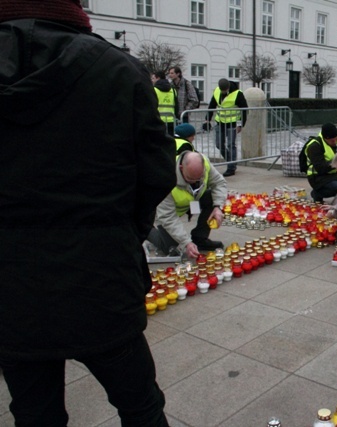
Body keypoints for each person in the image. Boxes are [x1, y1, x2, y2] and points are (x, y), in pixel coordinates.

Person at [0, 1, 175, 425]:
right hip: (101, 277)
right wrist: (120, 231)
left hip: (10, 286)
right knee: (140, 406)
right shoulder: (117, 68)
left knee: (34, 413)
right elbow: (156, 173)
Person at [147, 151, 227, 259]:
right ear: (181, 168)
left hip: (188, 202)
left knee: (213, 198)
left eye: (200, 178)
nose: (195, 182)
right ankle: (144, 229)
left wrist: (218, 207)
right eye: (190, 178)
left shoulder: (205, 163)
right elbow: (168, 217)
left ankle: (199, 238)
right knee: (169, 248)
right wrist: (186, 242)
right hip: (159, 210)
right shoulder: (164, 177)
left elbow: (219, 183)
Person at [203, 78, 248, 177]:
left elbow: (244, 110)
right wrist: (207, 119)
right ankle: (231, 161)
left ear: (228, 87)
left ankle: (231, 167)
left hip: (232, 123)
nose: (223, 92)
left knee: (231, 145)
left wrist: (240, 124)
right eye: (222, 90)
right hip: (220, 122)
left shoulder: (237, 94)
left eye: (225, 90)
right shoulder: (217, 91)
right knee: (219, 144)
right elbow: (212, 105)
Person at [305, 123, 337, 203]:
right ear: (324, 138)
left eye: (336, 139)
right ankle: (317, 193)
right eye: (332, 141)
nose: (335, 142)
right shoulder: (314, 146)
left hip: (336, 174)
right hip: (318, 177)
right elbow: (321, 168)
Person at [151, 70, 178, 135]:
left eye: (153, 78)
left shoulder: (153, 90)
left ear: (158, 78)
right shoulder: (173, 90)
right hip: (171, 120)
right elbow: (176, 106)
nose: (151, 80)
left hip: (157, 121)